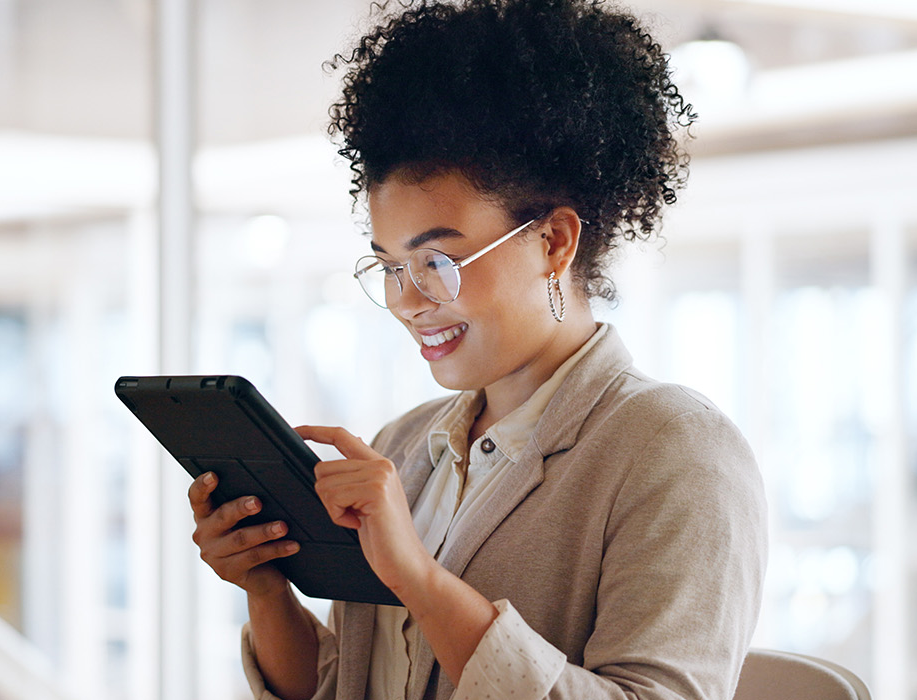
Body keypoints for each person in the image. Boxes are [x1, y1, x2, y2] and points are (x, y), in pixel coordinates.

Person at [186, 1, 767, 698]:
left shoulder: (676, 453)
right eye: (391, 267)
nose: (407, 299)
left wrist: (419, 579)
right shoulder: (401, 449)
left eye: (437, 262)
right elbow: (346, 686)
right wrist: (267, 588)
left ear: (554, 241)